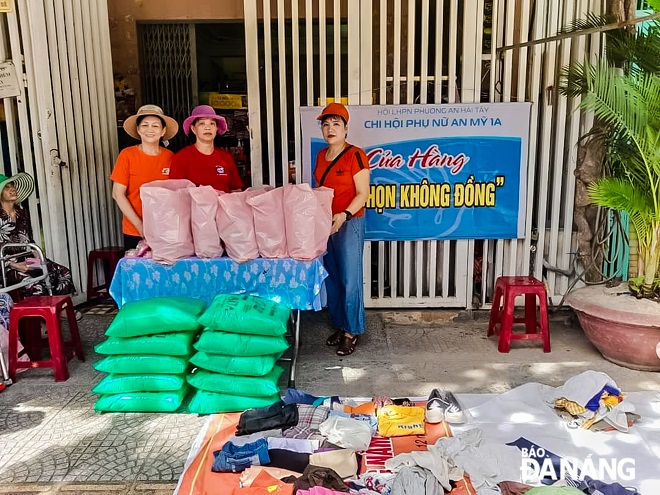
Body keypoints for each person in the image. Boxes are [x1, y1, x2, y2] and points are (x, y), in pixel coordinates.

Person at [313, 103, 370, 356]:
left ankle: (352, 331)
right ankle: (340, 324)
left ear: (346, 128)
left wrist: (344, 214)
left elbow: (363, 194)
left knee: (350, 279)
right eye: (326, 124)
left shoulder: (356, 154)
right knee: (333, 278)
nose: (330, 128)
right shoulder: (320, 155)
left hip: (349, 223)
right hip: (326, 224)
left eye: (336, 124)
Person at [110, 104, 179, 250]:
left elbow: (176, 195)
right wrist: (139, 226)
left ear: (163, 131)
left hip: (165, 229)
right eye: (145, 125)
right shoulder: (127, 155)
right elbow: (117, 194)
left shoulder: (171, 157)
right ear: (138, 129)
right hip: (135, 230)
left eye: (155, 126)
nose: (150, 129)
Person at [0, 172, 76, 298]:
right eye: (7, 187)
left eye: (12, 185)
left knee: (61, 272)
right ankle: (41, 315)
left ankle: (61, 310)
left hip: (26, 259)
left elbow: (29, 238)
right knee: (35, 284)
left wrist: (40, 258)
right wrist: (13, 265)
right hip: (6, 265)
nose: (12, 189)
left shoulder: (22, 212)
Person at [169, 105, 244, 192]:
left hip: (223, 205)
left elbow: (236, 190)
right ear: (193, 129)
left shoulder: (226, 157)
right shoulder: (181, 158)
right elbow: (177, 194)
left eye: (212, 123)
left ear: (216, 128)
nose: (208, 128)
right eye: (202, 123)